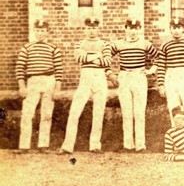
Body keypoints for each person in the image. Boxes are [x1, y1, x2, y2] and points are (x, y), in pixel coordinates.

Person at [59, 17, 112, 154]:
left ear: (98, 29)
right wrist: (96, 57)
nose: (91, 31)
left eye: (94, 28)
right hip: (85, 78)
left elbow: (107, 61)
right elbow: (78, 57)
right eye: (89, 28)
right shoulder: (80, 43)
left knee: (98, 112)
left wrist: (88, 57)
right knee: (75, 111)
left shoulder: (104, 44)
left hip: (100, 78)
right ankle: (67, 146)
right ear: (85, 29)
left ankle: (95, 145)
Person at [108, 19, 158, 153]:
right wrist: (110, 73)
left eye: (136, 28)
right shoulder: (119, 44)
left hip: (139, 77)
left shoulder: (145, 43)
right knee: (127, 112)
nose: (133, 31)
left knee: (139, 112)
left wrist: (151, 70)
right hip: (124, 77)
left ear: (139, 29)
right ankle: (128, 145)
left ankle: (140, 146)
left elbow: (159, 57)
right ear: (125, 28)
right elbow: (106, 57)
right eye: (130, 28)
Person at [16, 20, 62, 153]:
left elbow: (58, 70)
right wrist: (22, 87)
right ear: (34, 32)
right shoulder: (27, 48)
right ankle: (24, 146)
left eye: (43, 31)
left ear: (47, 32)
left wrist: (57, 89)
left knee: (46, 114)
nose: (41, 33)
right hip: (33, 81)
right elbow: (20, 68)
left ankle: (43, 145)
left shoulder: (53, 48)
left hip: (49, 80)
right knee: (27, 113)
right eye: (38, 30)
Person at [157, 18, 184, 126]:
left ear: (183, 29)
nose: (176, 30)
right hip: (171, 77)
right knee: (174, 107)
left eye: (178, 28)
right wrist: (161, 85)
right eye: (174, 28)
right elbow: (161, 66)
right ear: (170, 30)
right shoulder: (165, 46)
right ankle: (177, 136)